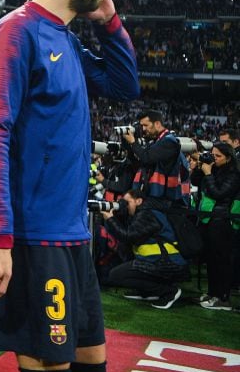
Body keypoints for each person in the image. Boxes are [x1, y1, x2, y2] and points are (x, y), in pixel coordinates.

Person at [0, 0, 139, 372]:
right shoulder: (15, 34)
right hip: (33, 240)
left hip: (72, 240)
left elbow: (125, 86)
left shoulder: (66, 38)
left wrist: (109, 22)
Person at [101, 188, 188, 309]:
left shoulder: (147, 215)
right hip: (158, 261)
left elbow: (128, 236)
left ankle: (168, 291)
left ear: (139, 201)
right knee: (123, 267)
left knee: (116, 275)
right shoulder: (143, 213)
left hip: (166, 263)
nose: (124, 206)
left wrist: (110, 219)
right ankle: (148, 291)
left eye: (127, 202)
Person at [191, 142, 240, 310]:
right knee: (211, 259)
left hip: (223, 220)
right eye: (213, 155)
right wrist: (200, 168)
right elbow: (195, 181)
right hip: (210, 219)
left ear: (228, 158)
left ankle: (223, 298)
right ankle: (213, 293)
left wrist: (209, 173)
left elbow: (218, 193)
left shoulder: (234, 174)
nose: (215, 158)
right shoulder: (214, 168)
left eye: (218, 156)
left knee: (222, 260)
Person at [122, 110, 189, 209]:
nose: (143, 129)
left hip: (163, 201)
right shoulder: (155, 141)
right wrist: (126, 142)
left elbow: (147, 158)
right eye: (142, 126)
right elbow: (139, 162)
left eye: (146, 125)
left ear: (157, 124)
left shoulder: (169, 141)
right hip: (152, 196)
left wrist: (133, 142)